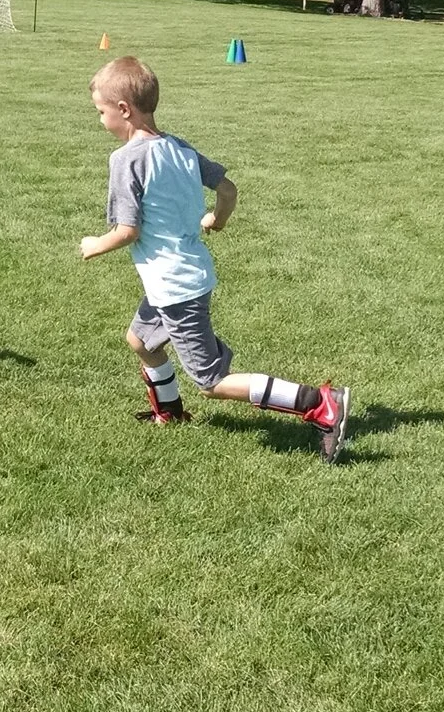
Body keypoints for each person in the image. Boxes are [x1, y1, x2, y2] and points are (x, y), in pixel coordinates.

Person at [78, 56, 352, 462]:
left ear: (124, 109)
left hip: (175, 287)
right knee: (140, 340)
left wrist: (95, 245)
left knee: (211, 381)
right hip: (184, 274)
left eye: (101, 112)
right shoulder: (179, 148)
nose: (100, 120)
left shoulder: (126, 160)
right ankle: (170, 411)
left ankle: (318, 402)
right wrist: (216, 220)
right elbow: (228, 189)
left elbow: (128, 230)